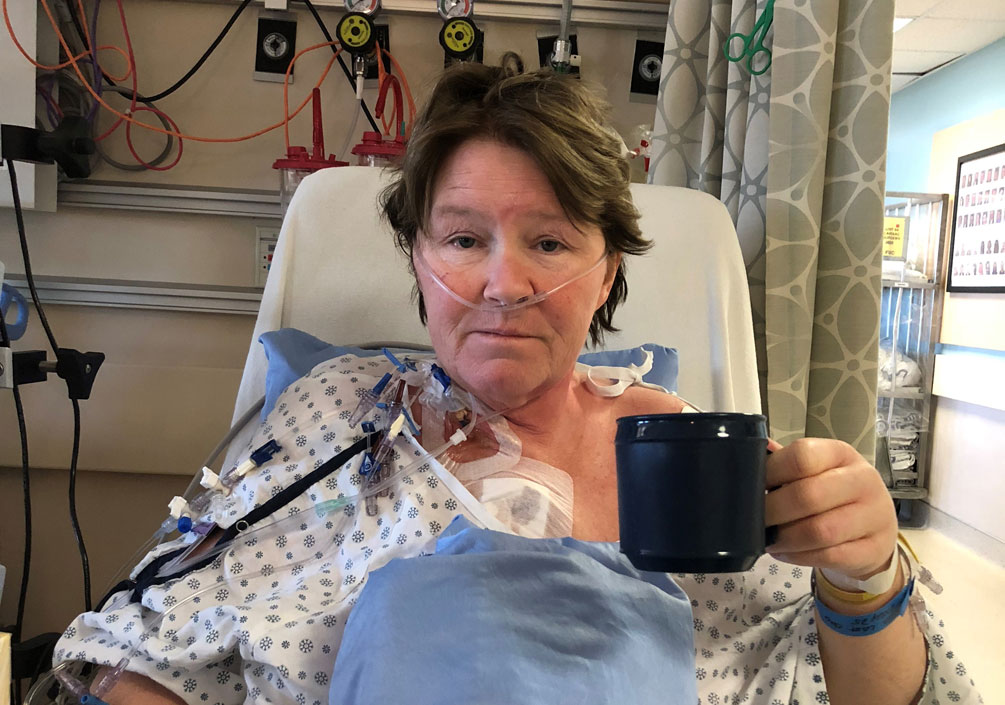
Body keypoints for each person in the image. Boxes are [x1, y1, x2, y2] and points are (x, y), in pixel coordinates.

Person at [52, 65, 979, 705]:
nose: (503, 283)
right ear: (418, 261)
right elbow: (154, 642)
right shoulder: (338, 423)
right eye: (462, 239)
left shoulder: (697, 459)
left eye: (548, 241)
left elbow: (874, 691)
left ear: (606, 270)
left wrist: (864, 574)